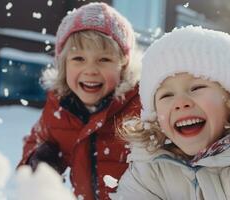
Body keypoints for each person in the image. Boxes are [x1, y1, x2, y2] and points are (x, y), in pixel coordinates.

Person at [110, 26, 230, 200]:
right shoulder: (151, 169)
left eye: (197, 87)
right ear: (155, 114)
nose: (180, 103)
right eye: (167, 95)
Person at [18, 2, 141, 200]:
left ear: (123, 66)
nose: (91, 70)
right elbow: (36, 140)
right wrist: (38, 157)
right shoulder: (59, 108)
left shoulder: (139, 107)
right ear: (63, 64)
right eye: (78, 59)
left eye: (104, 60)